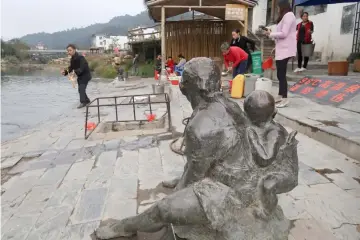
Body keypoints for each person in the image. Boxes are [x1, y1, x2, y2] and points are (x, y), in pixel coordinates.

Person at [263, 0, 296, 108]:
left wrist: (270, 34)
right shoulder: (285, 16)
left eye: (278, 7)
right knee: (279, 74)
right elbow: (281, 35)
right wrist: (275, 47)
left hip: (286, 50)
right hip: (282, 49)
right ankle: (280, 95)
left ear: (282, 7)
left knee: (281, 74)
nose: (277, 9)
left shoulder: (289, 16)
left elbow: (284, 33)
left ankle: (285, 98)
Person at [61, 44, 92, 108]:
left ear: (74, 50)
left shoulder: (81, 58)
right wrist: (65, 72)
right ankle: (87, 101)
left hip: (86, 75)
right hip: (80, 76)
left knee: (81, 88)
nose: (69, 52)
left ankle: (83, 102)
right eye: (68, 51)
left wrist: (75, 72)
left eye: (70, 50)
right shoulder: (72, 59)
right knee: (80, 89)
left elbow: (82, 68)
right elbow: (70, 68)